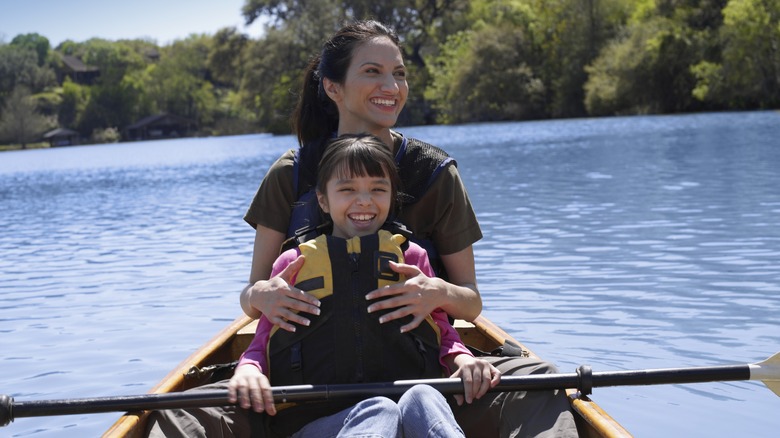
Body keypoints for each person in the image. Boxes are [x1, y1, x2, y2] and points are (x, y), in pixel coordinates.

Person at [239, 19, 578, 437]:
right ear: (332, 87)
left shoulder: (435, 173)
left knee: (540, 379)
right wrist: (260, 295)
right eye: (372, 71)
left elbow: (469, 303)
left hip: (423, 378)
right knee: (183, 414)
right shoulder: (289, 174)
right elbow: (251, 299)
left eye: (399, 73)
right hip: (311, 391)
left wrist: (436, 292)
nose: (392, 85)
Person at [230, 134, 500, 437]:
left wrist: (462, 359)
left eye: (378, 189)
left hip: (401, 407)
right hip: (312, 422)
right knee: (379, 409)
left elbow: (442, 334)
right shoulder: (294, 264)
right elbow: (262, 344)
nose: (364, 200)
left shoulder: (412, 259)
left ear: (392, 196)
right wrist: (249, 370)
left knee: (424, 396)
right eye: (347, 189)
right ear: (323, 199)